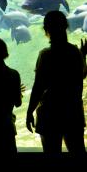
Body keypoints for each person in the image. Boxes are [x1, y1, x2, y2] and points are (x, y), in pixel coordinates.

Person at [26, 10, 87, 155]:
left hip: (50, 114)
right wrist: (83, 56)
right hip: (73, 112)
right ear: (66, 26)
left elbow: (38, 86)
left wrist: (29, 111)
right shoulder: (75, 52)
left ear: (46, 30)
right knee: (78, 152)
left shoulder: (45, 55)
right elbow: (81, 76)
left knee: (52, 154)